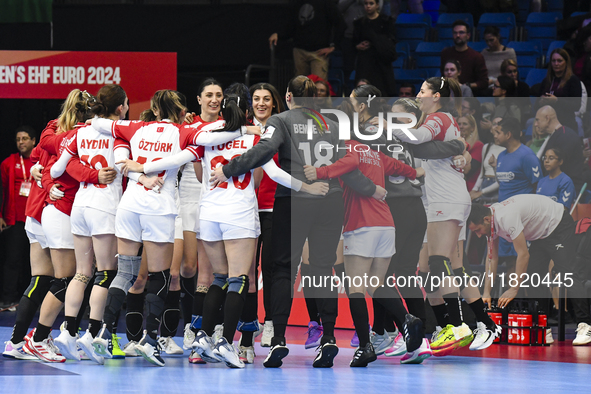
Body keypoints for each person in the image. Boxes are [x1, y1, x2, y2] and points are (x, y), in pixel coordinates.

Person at [209, 75, 379, 369]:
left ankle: (279, 340)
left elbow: (264, 151)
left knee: (284, 269)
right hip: (330, 199)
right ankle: (328, 337)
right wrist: (373, 191)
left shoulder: (282, 120)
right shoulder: (333, 125)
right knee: (323, 268)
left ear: (288, 96)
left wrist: (229, 169)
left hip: (293, 201)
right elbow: (348, 168)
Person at [303, 85, 428, 367]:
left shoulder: (346, 150)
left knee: (355, 288)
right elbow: (398, 167)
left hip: (361, 225)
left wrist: (319, 172)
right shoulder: (372, 152)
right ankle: (408, 319)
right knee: (376, 283)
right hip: (386, 225)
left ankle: (367, 346)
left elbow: (346, 164)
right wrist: (417, 171)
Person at [389, 77, 501, 353]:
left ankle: (460, 325)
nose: (418, 94)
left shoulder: (438, 118)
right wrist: (459, 149)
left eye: (422, 90)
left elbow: (417, 140)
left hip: (447, 200)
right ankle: (463, 325)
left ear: (435, 96)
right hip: (435, 202)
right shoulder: (432, 124)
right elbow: (428, 148)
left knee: (440, 263)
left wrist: (385, 129)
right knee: (431, 270)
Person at [24, 90, 111, 363]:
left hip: (74, 212)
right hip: (60, 210)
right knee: (65, 279)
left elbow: (46, 160)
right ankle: (36, 338)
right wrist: (48, 179)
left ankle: (60, 335)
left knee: (77, 276)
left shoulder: (88, 134)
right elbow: (51, 165)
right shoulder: (68, 133)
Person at [49, 85, 128, 364]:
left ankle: (69, 331)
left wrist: (88, 171)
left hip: (80, 205)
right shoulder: (119, 130)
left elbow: (56, 169)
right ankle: (93, 334)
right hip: (105, 206)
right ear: (120, 108)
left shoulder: (80, 132)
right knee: (107, 272)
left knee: (82, 272)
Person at [468, 196, 591, 346]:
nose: (478, 235)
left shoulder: (506, 217)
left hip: (558, 224)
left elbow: (523, 255)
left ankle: (585, 325)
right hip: (540, 234)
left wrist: (514, 288)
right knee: (533, 278)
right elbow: (491, 259)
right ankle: (543, 327)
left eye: (478, 230)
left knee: (568, 274)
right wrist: (486, 292)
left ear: (486, 219)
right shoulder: (491, 220)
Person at [0, 126, 36, 309]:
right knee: (13, 260)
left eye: (24, 138)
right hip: (15, 220)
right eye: (18, 139)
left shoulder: (41, 162)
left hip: (37, 219)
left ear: (33, 141)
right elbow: (1, 191)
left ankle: (33, 300)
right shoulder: (8, 163)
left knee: (35, 262)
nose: (21, 142)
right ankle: (8, 299)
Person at [268, 0, 340, 80]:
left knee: (318, 86)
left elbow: (340, 24)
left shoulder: (326, 3)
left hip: (319, 52)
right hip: (300, 51)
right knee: (300, 86)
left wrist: (333, 46)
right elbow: (291, 26)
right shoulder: (297, 3)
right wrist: (278, 35)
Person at [534, 105, 590, 195]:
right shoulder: (555, 135)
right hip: (555, 189)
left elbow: (558, 169)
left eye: (537, 120)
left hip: (563, 192)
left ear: (547, 118)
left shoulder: (565, 136)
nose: (535, 124)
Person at [353, 0, 397, 96]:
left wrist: (374, 42)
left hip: (381, 63)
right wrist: (358, 46)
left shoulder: (386, 22)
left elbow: (390, 43)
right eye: (366, 3)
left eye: (371, 3)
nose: (368, 6)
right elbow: (353, 42)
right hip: (365, 63)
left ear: (377, 5)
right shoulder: (359, 23)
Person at [538, 48, 582, 132]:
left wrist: (556, 101)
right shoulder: (546, 81)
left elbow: (576, 105)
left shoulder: (573, 80)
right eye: (553, 61)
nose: (556, 63)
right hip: (546, 119)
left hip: (565, 119)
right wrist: (541, 102)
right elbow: (536, 104)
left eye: (559, 61)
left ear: (566, 62)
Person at [440, 21, 489, 95]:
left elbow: (484, 82)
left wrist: (467, 86)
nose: (458, 35)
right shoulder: (446, 53)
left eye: (461, 32)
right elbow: (443, 75)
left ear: (468, 35)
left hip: (469, 94)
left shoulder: (476, 56)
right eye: (455, 33)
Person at [470, 117, 506, 203]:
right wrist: (474, 189)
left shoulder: (506, 149)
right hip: (484, 184)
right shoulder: (487, 147)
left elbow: (502, 179)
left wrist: (481, 192)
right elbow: (482, 173)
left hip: (496, 187)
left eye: (499, 124)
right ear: (490, 129)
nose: (496, 127)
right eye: (494, 124)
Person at [457, 114, 483, 192]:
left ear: (472, 128)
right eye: (459, 124)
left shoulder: (478, 145)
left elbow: (467, 170)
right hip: (456, 186)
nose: (461, 126)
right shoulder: (453, 144)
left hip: (470, 189)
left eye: (465, 124)